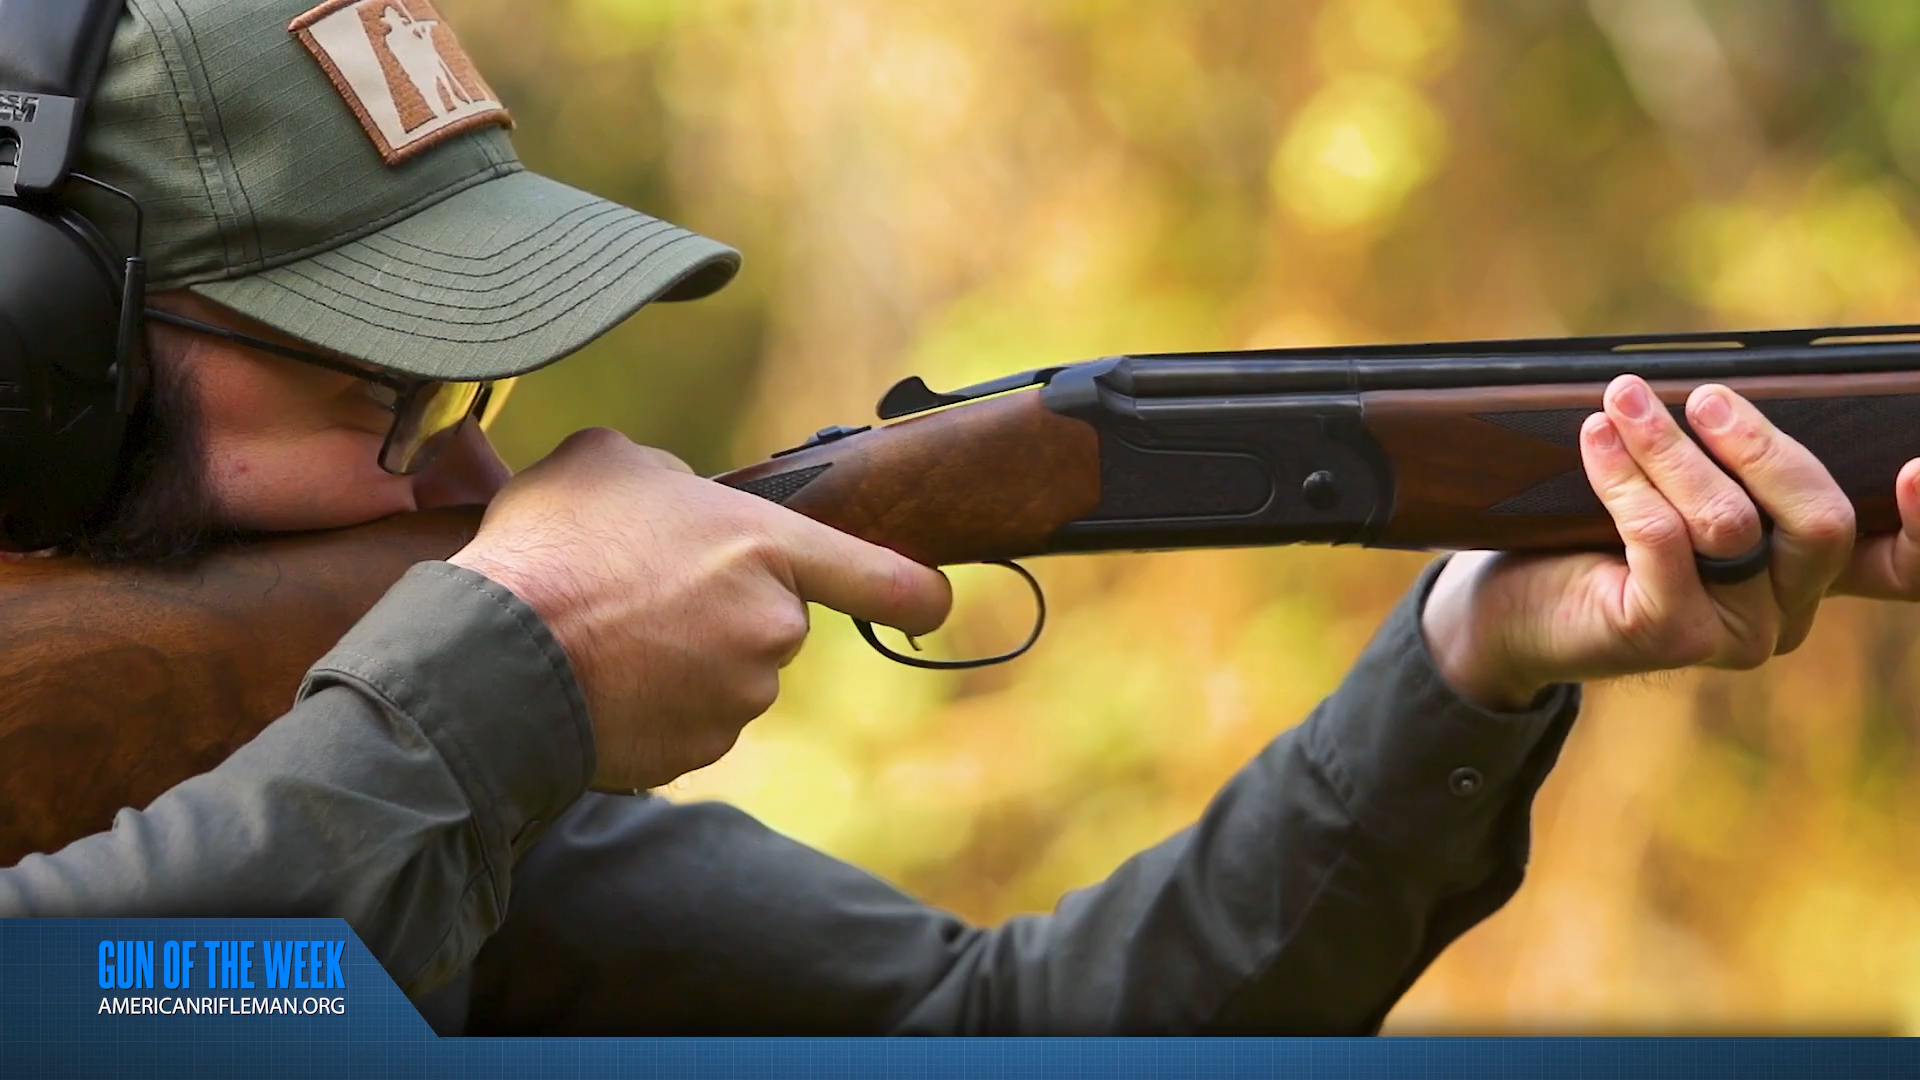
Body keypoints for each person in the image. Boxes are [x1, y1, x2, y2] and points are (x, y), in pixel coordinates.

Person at [7, 0, 1920, 1033]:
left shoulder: (385, 763)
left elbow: (999, 1030)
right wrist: (497, 683)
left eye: (472, 399)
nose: (478, 487)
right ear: (38, 375)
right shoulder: (423, 739)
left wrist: (1471, 654)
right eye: (380, 394)